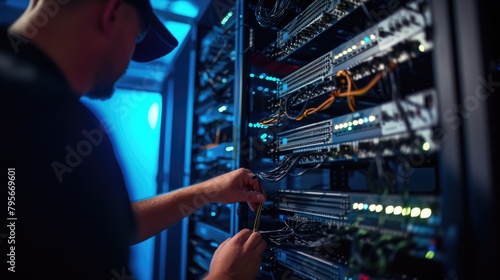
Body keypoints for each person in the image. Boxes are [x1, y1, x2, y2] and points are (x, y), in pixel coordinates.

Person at [2, 0, 267, 279]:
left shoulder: (26, 109)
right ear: (111, 13)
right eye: (138, 36)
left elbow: (91, 226)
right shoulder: (56, 122)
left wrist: (207, 191)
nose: (128, 63)